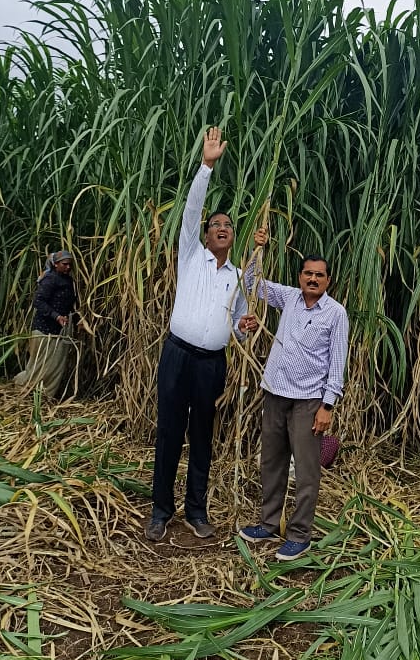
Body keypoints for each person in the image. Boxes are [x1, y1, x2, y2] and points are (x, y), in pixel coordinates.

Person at [146, 127, 256, 542]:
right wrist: (207, 165)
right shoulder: (190, 256)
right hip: (177, 356)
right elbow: (192, 209)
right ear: (206, 234)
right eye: (216, 224)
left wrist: (244, 329)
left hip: (212, 364)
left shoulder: (239, 276)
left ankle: (196, 511)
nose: (222, 228)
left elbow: (240, 326)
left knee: (203, 437)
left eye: (228, 225)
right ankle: (160, 511)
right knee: (169, 433)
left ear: (233, 236)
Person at [238, 228, 349, 561]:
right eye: (307, 273)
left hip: (308, 401)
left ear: (328, 280)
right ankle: (268, 523)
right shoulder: (288, 298)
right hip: (275, 393)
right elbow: (250, 283)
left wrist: (327, 405)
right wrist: (257, 248)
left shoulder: (336, 313)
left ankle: (300, 534)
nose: (312, 279)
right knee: (271, 462)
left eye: (319, 275)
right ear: (300, 276)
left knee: (306, 469)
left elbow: (337, 362)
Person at [14, 250, 78, 401]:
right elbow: (38, 302)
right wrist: (56, 316)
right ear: (55, 264)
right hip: (43, 330)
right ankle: (25, 389)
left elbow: (69, 305)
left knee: (54, 366)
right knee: (40, 366)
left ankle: (45, 396)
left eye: (70, 264)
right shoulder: (49, 279)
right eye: (65, 264)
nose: (68, 267)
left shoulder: (68, 281)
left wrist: (77, 321)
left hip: (59, 331)